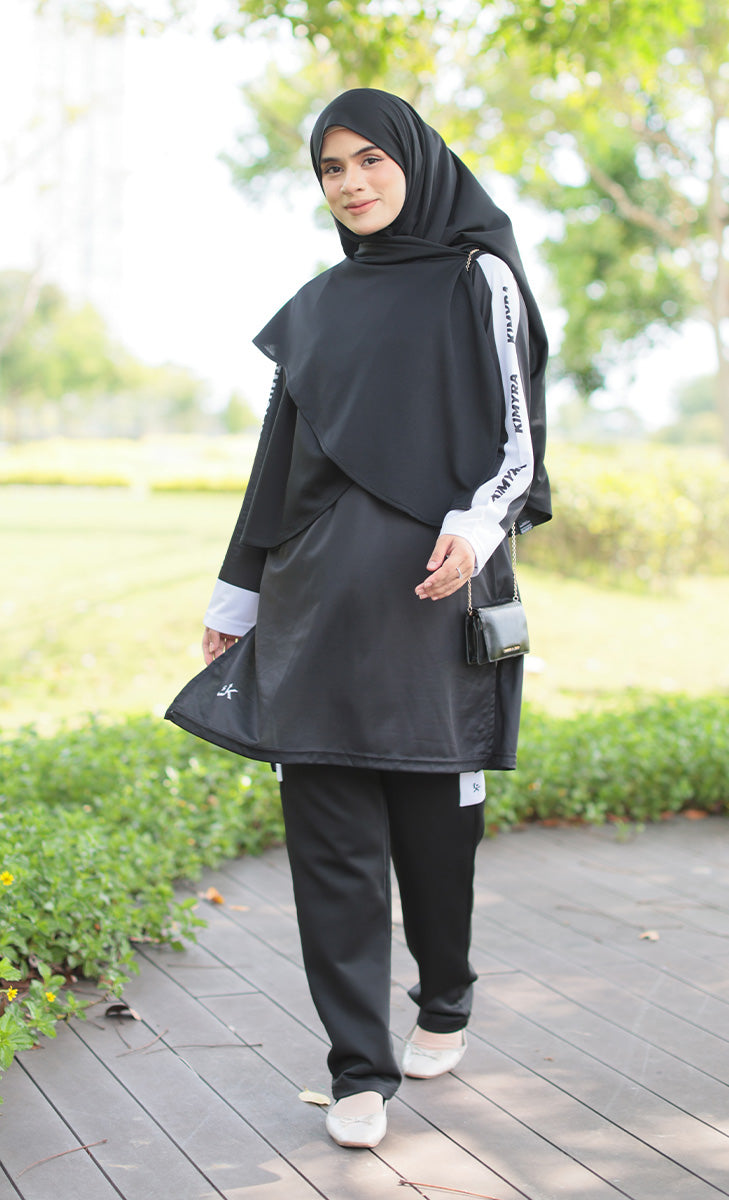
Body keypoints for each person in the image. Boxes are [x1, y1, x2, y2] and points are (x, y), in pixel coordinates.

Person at [182, 88, 550, 1149]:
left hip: (434, 598)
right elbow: (275, 464)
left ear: (413, 161)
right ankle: (356, 1069)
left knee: (435, 833)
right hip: (312, 606)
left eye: (368, 161)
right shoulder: (317, 306)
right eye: (331, 168)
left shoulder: (480, 277)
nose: (350, 183)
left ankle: (446, 995)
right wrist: (238, 592)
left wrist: (478, 527)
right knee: (329, 837)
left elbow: (520, 434)